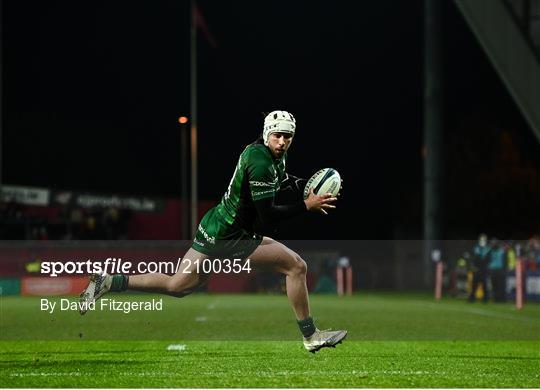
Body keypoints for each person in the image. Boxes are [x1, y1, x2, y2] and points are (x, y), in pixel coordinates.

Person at [79, 110, 347, 353]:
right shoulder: (261, 162)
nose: (282, 142)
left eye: (287, 137)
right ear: (266, 134)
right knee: (295, 266)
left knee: (179, 285)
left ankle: (109, 282)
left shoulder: (267, 153)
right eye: (277, 136)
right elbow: (268, 214)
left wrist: (301, 184)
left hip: (215, 224)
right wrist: (306, 205)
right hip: (231, 235)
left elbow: (281, 177)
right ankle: (310, 336)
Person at [468, 233, 491, 303]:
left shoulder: (488, 249)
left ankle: (485, 299)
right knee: (474, 284)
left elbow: (488, 259)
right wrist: (473, 266)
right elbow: (473, 258)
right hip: (476, 268)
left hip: (484, 269)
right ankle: (472, 298)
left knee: (484, 285)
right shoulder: (476, 248)